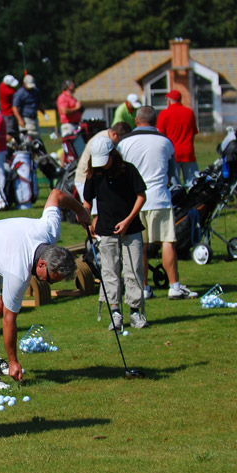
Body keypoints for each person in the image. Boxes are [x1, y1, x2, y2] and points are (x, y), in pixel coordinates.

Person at [0, 189, 90, 389]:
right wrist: (14, 361)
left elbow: (56, 194)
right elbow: (9, 319)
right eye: (51, 279)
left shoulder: (50, 230)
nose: (49, 284)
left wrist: (80, 210)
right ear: (41, 264)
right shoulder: (19, 271)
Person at [118, 106, 198, 300]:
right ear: (155, 122)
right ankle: (174, 286)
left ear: (136, 121)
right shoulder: (166, 142)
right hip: (159, 197)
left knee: (141, 245)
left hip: (134, 202)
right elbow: (172, 175)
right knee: (167, 242)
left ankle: (144, 288)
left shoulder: (123, 143)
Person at [82, 137, 148, 331]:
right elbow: (87, 201)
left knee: (134, 270)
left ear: (113, 155)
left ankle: (136, 312)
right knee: (110, 272)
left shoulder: (129, 170)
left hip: (132, 228)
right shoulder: (94, 174)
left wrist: (128, 220)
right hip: (105, 230)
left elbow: (141, 196)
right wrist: (88, 218)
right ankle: (115, 312)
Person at [75, 122, 132, 204]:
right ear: (114, 134)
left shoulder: (106, 137)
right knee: (96, 212)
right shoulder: (101, 142)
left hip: (95, 177)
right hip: (85, 178)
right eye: (120, 139)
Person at [157, 90, 199, 186]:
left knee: (174, 184)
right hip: (188, 152)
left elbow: (160, 136)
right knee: (192, 182)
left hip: (172, 153)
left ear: (169, 100)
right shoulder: (189, 113)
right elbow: (193, 133)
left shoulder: (164, 114)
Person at [12, 74, 48, 139]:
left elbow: (39, 103)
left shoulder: (36, 91)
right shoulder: (20, 93)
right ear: (24, 84)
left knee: (37, 138)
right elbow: (15, 107)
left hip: (35, 118)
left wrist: (44, 113)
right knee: (27, 139)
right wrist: (20, 120)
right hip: (25, 119)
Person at [0, 74, 20, 139]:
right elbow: (18, 93)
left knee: (14, 134)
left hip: (5, 113)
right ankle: (2, 145)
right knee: (10, 134)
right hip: (9, 115)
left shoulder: (1, 85)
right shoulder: (10, 92)